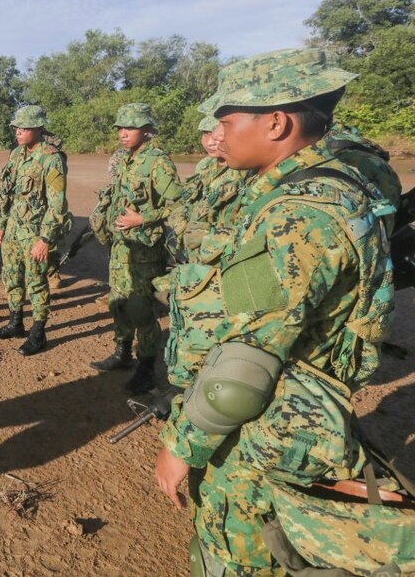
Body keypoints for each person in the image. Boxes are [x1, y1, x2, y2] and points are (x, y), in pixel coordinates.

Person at [154, 48, 394, 576]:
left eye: (227, 119)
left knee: (239, 554)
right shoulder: (314, 189)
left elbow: (245, 367)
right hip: (286, 416)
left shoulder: (300, 214)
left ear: (277, 122)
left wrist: (181, 445)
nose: (219, 133)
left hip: (263, 433)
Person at [90, 103, 182, 394]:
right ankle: (122, 353)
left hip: (144, 251)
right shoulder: (126, 160)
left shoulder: (158, 162)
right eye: (120, 127)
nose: (123, 133)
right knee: (118, 302)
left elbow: (179, 205)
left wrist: (144, 218)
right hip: (122, 248)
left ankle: (146, 368)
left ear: (146, 129)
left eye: (130, 127)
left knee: (141, 309)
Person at [0, 105, 71, 356]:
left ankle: (38, 333)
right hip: (13, 229)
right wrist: (1, 223)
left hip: (35, 233)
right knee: (11, 277)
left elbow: (57, 205)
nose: (19, 132)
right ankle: (15, 323)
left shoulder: (51, 158)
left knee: (36, 281)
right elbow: (8, 194)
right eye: (17, 127)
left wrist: (45, 239)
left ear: (39, 128)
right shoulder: (16, 155)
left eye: (24, 128)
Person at [164, 113, 249, 264]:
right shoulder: (205, 165)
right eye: (205, 134)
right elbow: (189, 200)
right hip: (195, 252)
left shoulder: (244, 170)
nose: (210, 142)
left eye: (214, 133)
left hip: (222, 255)